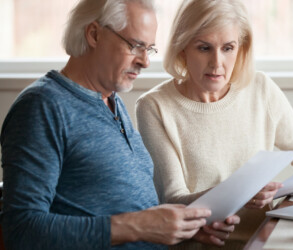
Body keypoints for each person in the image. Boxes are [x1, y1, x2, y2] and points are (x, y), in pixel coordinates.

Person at [0, 0, 239, 249]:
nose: (145, 61)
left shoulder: (112, 101)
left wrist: (183, 228)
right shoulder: (42, 107)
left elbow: (127, 209)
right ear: (94, 34)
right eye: (136, 46)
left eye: (150, 49)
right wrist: (139, 226)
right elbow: (21, 230)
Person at [136, 0, 293, 248]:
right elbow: (174, 200)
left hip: (263, 241)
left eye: (228, 48)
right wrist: (239, 191)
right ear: (182, 48)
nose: (217, 63)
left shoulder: (261, 88)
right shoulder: (154, 106)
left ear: (241, 48)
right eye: (204, 48)